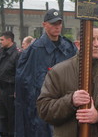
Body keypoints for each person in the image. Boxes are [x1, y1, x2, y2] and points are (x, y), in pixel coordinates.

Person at [37, 27, 98, 137]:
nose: (96, 44)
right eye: (92, 39)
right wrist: (70, 101)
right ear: (78, 44)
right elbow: (44, 109)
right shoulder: (58, 72)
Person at [15, 8, 77, 137]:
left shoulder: (69, 48)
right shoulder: (34, 50)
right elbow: (25, 84)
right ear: (44, 25)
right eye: (53, 23)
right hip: (41, 109)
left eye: (59, 23)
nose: (57, 27)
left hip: (66, 105)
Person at [0, 31, 20, 137]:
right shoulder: (1, 52)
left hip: (10, 89)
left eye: (2, 40)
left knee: (11, 118)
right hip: (2, 89)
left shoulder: (17, 54)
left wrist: (16, 90)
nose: (0, 42)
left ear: (9, 40)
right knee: (3, 118)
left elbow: (19, 74)